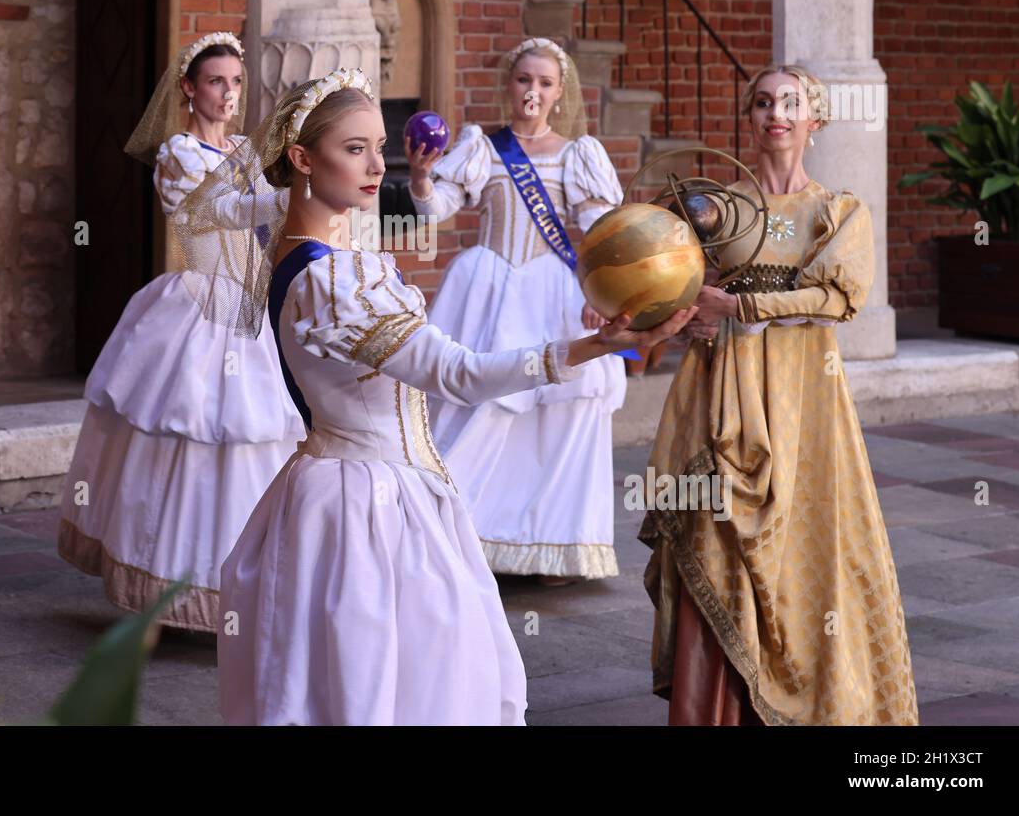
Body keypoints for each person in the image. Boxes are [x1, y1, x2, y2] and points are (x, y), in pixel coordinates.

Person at [174, 67, 695, 725]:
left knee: (403, 675)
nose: (375, 166)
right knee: (383, 677)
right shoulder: (325, 281)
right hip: (362, 504)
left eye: (377, 146)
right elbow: (461, 374)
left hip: (372, 486)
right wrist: (598, 344)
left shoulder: (319, 254)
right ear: (303, 158)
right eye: (354, 148)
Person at [639, 63, 918, 725]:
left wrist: (736, 305)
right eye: (762, 103)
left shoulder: (837, 210)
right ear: (751, 118)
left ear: (813, 120)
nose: (775, 114)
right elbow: (668, 279)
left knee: (810, 540)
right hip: (717, 392)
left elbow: (831, 302)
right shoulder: (715, 205)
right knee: (714, 533)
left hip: (803, 396)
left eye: (790, 103)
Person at [58, 32, 303, 633]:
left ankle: (255, 585)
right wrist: (298, 189)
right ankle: (176, 588)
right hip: (200, 306)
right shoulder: (179, 153)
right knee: (194, 437)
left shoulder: (247, 149)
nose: (228, 94)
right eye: (216, 82)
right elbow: (218, 212)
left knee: (257, 441)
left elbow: (268, 230)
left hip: (252, 308)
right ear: (190, 88)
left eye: (236, 83)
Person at [406, 38, 628, 584]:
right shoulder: (483, 145)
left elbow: (604, 233)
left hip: (554, 291)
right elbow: (438, 209)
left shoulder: (579, 154)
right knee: (475, 399)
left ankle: (551, 539)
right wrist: (419, 177)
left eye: (545, 83)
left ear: (559, 93)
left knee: (560, 409)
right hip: (486, 287)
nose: (533, 91)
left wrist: (604, 297)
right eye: (524, 79)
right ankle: (464, 528)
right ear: (509, 84)